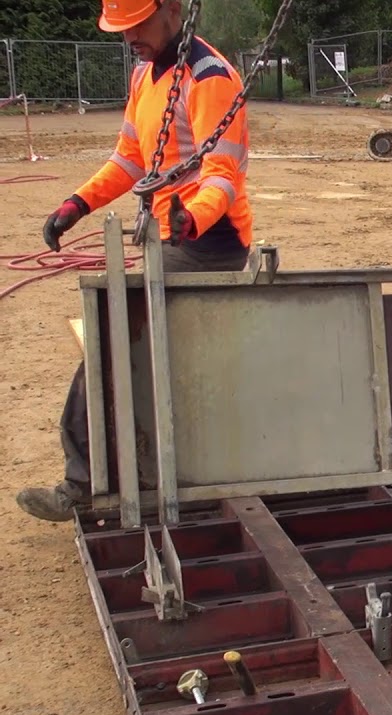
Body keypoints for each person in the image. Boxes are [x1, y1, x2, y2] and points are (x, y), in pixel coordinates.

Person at [15, 0, 255, 522]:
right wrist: (75, 204)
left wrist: (193, 215)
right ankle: (118, 472)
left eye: (136, 25)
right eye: (120, 29)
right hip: (170, 239)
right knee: (119, 340)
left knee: (109, 339)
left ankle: (83, 483)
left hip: (209, 245)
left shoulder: (211, 77)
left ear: (173, 10)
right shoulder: (145, 75)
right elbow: (128, 158)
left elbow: (222, 171)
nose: (128, 37)